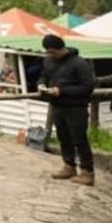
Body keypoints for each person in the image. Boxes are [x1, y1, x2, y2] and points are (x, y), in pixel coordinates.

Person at [39, 34, 96, 186]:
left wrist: (62, 90)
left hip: (76, 106)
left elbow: (87, 86)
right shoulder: (48, 61)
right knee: (63, 137)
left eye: (53, 52)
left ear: (61, 48)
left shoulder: (79, 63)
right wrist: (42, 85)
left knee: (79, 138)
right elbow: (44, 75)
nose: (51, 55)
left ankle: (87, 171)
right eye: (48, 52)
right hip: (57, 105)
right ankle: (69, 165)